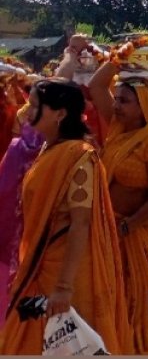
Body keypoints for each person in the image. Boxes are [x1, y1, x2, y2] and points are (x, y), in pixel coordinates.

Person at [0, 80, 132, 355]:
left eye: (36, 105)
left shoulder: (80, 157)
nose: (27, 111)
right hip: (38, 263)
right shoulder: (49, 149)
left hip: (63, 272)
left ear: (60, 114)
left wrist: (63, 287)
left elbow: (80, 223)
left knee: (55, 340)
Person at [88, 57, 148, 355]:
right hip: (107, 229)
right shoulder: (117, 130)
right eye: (118, 99)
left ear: (144, 106)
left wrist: (127, 226)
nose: (117, 105)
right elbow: (95, 85)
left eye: (124, 101)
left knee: (135, 299)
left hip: (133, 232)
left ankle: (140, 349)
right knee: (108, 297)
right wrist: (117, 59)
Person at [0, 99, 43, 329]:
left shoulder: (74, 153)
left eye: (36, 105)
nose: (28, 111)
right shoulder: (18, 148)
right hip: (15, 239)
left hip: (49, 245)